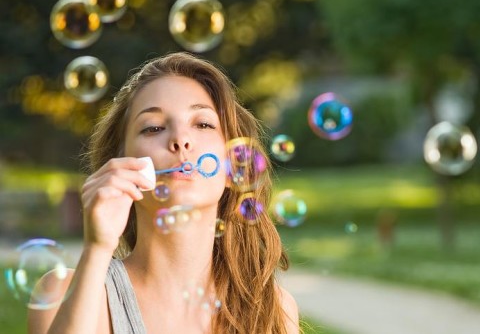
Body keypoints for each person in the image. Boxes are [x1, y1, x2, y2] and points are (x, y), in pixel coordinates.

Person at [28, 52, 299, 334]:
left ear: (236, 167)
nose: (180, 140)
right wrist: (97, 248)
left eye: (203, 124)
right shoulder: (66, 294)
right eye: (154, 127)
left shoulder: (271, 311)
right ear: (120, 164)